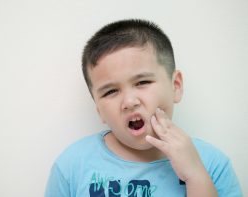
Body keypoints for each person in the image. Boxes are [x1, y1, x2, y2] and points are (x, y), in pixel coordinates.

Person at [45, 19, 242, 196]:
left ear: (176, 86)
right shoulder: (72, 166)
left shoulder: (212, 165)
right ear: (99, 110)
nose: (130, 102)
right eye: (110, 92)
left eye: (142, 82)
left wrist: (196, 177)